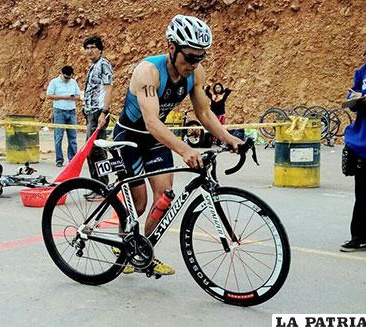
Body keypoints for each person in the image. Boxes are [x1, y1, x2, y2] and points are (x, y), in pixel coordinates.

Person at [113, 15, 244, 275]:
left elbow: (205, 113)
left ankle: (144, 251)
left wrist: (229, 138)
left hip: (156, 139)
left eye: (200, 58)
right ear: (172, 48)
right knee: (137, 205)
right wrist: (183, 149)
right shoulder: (148, 71)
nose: (194, 64)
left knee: (164, 198)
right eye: (190, 57)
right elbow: (151, 122)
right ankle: (122, 244)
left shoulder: (195, 74)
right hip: (129, 138)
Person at [340, 48, 366, 252]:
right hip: (362, 142)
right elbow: (352, 96)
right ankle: (360, 237)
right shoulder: (362, 72)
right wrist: (357, 98)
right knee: (363, 193)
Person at [83, 35, 114, 195]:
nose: (89, 51)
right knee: (91, 151)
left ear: (100, 49)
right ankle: (96, 186)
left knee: (97, 151)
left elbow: (108, 90)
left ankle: (103, 186)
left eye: (93, 47)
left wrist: (104, 112)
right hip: (90, 113)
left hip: (98, 114)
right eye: (87, 48)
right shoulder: (93, 66)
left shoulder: (104, 65)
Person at [46, 66, 81, 167]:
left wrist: (73, 98)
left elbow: (79, 96)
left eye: (69, 77)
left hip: (71, 111)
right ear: (61, 73)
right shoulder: (54, 82)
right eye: (66, 77)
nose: (67, 79)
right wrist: (64, 97)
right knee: (58, 137)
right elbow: (49, 95)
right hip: (59, 111)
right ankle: (59, 159)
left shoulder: (73, 82)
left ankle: (73, 159)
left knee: (73, 137)